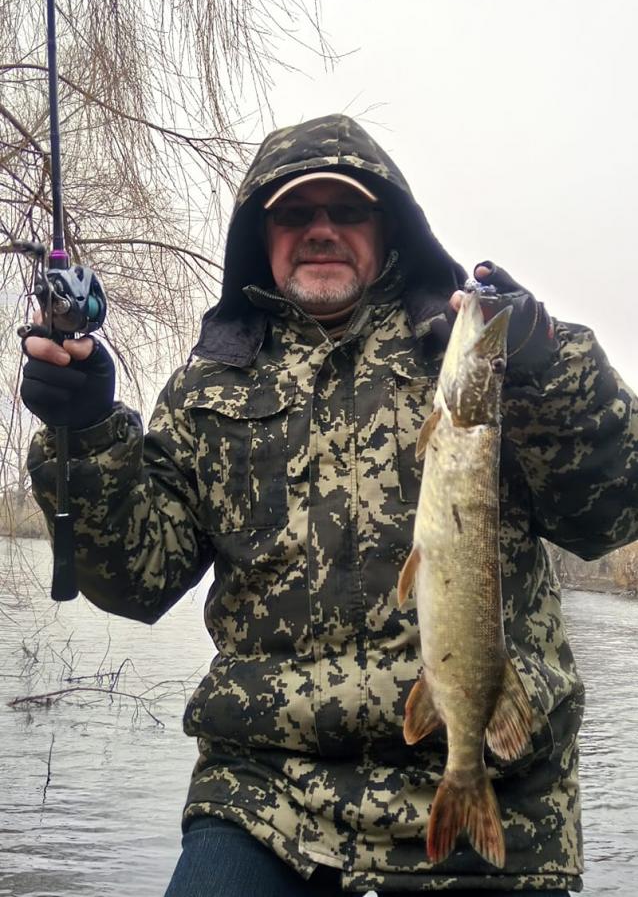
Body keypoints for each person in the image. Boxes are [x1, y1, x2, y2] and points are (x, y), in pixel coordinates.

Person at [20, 114, 638, 896]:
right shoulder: (210, 386)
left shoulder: (478, 353)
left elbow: (610, 515)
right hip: (265, 796)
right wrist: (85, 435)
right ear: (262, 233)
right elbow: (133, 582)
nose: (321, 230)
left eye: (347, 210)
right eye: (295, 214)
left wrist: (553, 368)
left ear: (387, 230)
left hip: (493, 785)